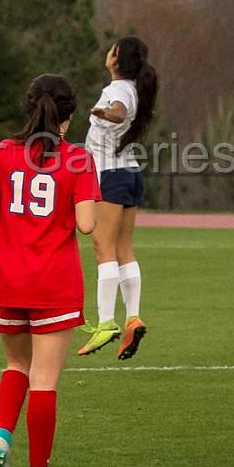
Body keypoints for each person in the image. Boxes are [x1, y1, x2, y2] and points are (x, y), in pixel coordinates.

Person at [0, 74, 100, 467]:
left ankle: (1, 436)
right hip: (54, 285)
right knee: (44, 381)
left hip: (8, 281)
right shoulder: (78, 159)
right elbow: (86, 225)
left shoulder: (4, 152)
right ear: (70, 116)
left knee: (15, 367)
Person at [77, 36, 159, 360]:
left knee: (103, 249)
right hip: (128, 173)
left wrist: (105, 112)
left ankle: (107, 323)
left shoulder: (117, 92)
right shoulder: (133, 88)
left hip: (109, 176)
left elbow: (117, 111)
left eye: (112, 49)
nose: (107, 52)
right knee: (124, 250)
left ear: (116, 59)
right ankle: (132, 316)